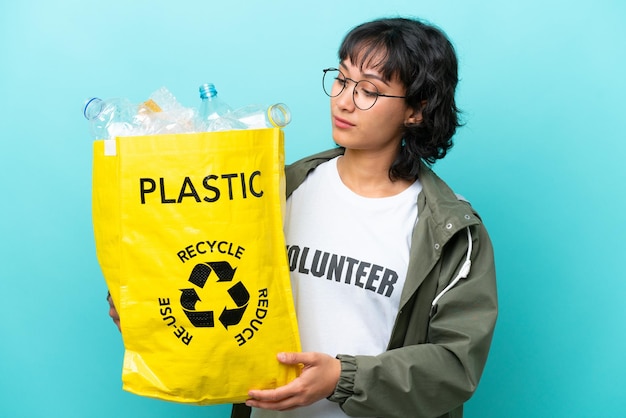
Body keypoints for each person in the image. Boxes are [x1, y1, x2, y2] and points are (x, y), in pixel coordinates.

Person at [107, 16, 497, 418]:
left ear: (416, 110)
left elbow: (455, 365)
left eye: (369, 91)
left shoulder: (450, 232)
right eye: (342, 80)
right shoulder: (279, 188)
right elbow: (209, 266)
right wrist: (148, 308)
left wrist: (341, 377)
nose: (344, 100)